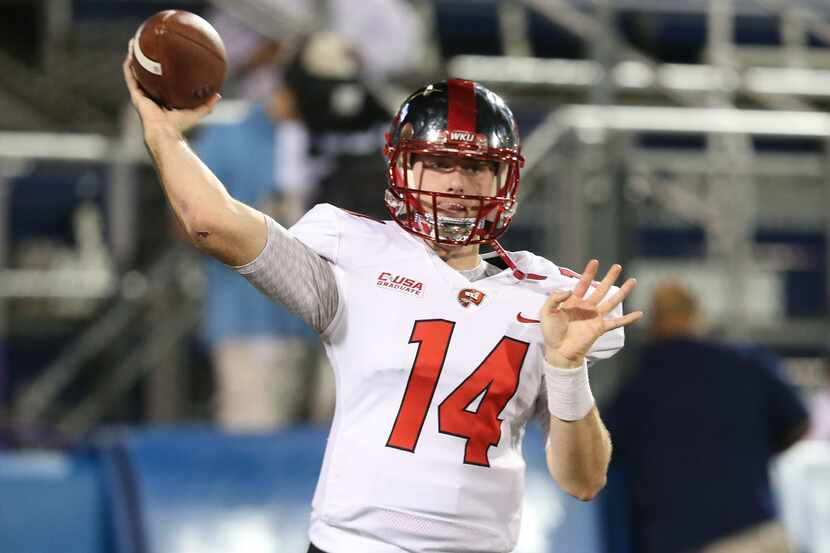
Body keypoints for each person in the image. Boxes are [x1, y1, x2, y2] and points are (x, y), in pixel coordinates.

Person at [123, 42, 642, 552]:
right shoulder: (355, 256)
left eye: (477, 166)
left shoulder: (546, 295)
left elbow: (583, 480)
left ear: (504, 178)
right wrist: (164, 136)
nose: (458, 182)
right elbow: (212, 223)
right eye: (439, 161)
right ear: (403, 167)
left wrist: (568, 368)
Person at [606, 281, 809, 553]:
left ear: (654, 324)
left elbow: (601, 456)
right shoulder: (746, 363)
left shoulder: (637, 387)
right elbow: (798, 423)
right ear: (697, 316)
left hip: (681, 539)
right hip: (755, 532)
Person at [193, 79, 320, 430]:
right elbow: (185, 220)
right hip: (250, 319)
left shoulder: (333, 137)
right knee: (254, 435)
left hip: (331, 321)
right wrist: (246, 226)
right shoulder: (231, 137)